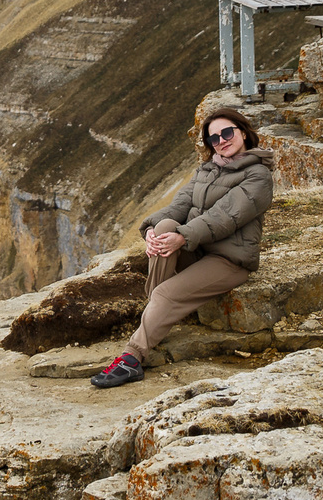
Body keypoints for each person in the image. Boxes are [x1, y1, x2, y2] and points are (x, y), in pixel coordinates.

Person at [91, 106, 274, 388]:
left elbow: (223, 217)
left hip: (229, 261)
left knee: (165, 291)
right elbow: (179, 205)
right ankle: (156, 315)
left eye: (227, 132)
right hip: (198, 250)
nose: (222, 141)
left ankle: (132, 358)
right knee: (164, 228)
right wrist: (152, 229)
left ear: (244, 132)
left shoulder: (258, 176)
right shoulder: (208, 169)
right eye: (214, 138)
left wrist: (183, 236)